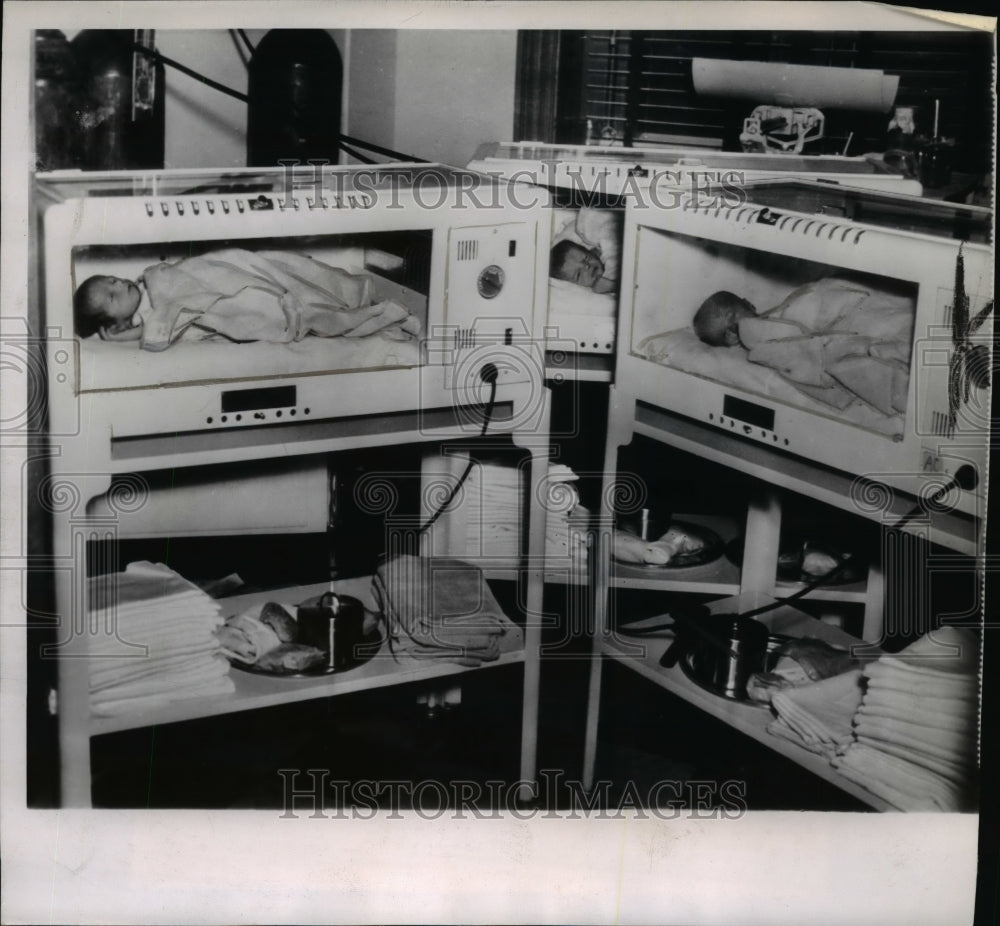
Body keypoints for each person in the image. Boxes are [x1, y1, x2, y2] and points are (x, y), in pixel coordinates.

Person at [73, 248, 420, 350]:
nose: (119, 284)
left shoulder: (153, 278)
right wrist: (127, 335)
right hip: (227, 305)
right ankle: (375, 316)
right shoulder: (153, 314)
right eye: (112, 296)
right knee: (271, 309)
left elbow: (200, 272)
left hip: (230, 275)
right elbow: (164, 329)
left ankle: (355, 296)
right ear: (115, 323)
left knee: (286, 270)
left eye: (112, 280)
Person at [692, 290, 758, 346]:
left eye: (733, 318)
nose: (737, 329)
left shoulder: (767, 317)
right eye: (725, 336)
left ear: (748, 304)